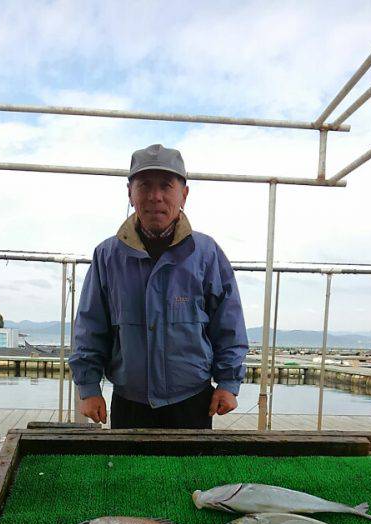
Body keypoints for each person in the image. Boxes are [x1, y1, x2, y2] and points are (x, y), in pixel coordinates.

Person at [69, 143, 248, 429]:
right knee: (129, 473)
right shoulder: (107, 256)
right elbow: (90, 328)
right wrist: (89, 388)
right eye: (144, 186)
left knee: (193, 475)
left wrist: (228, 382)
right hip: (129, 403)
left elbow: (229, 324)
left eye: (166, 185)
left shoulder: (206, 253)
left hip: (193, 402)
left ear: (184, 194)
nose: (155, 196)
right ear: (130, 193)